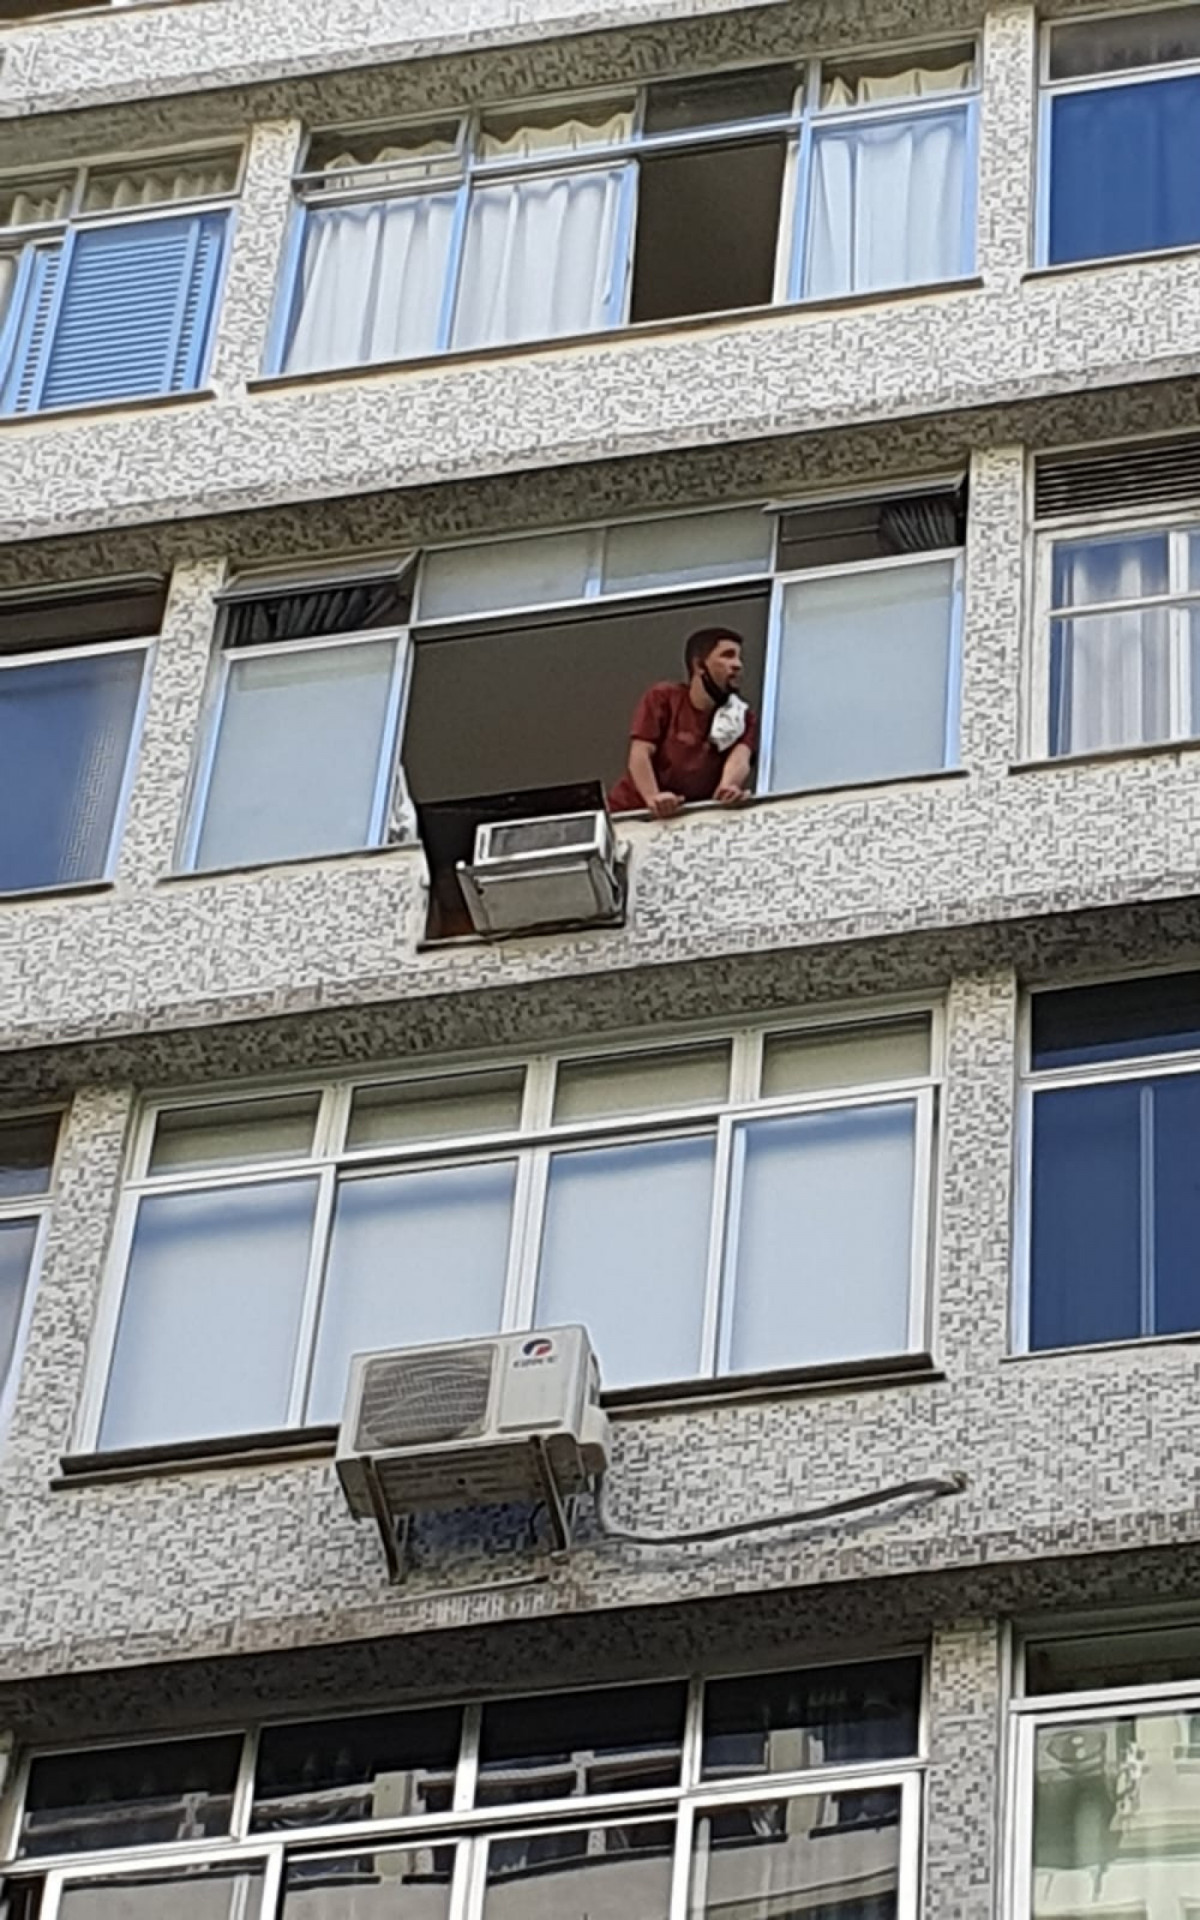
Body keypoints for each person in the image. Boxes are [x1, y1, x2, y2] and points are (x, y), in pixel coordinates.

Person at [607, 627, 757, 817]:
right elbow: (640, 753)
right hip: (629, 815)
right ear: (699, 665)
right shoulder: (664, 698)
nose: (737, 664)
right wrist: (653, 797)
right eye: (727, 656)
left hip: (685, 820)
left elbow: (740, 758)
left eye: (738, 657)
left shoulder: (743, 717)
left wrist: (727, 789)